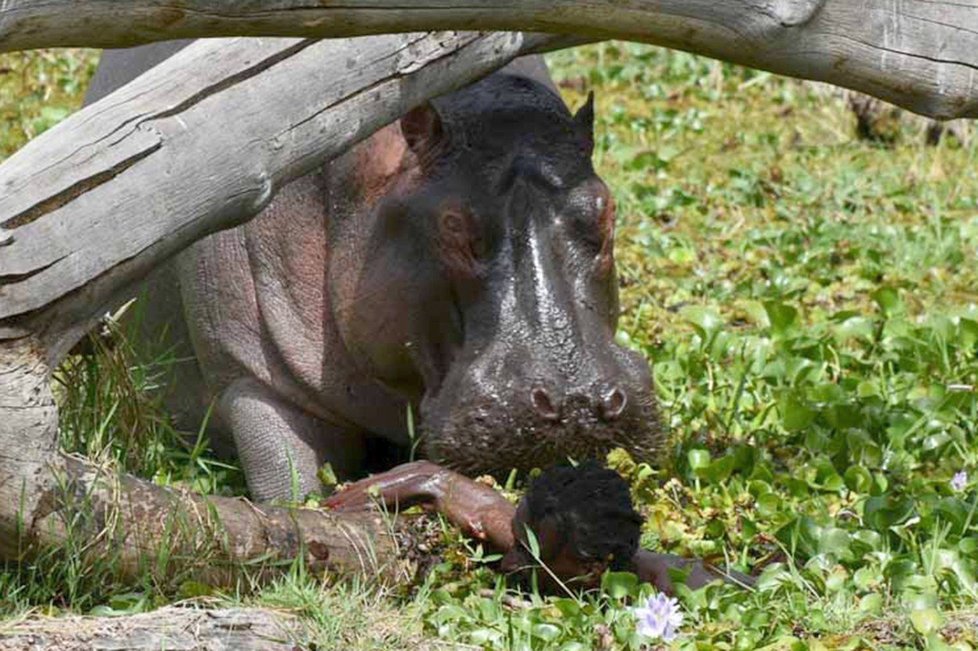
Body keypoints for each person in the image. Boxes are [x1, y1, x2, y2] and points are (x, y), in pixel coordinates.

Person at [324, 459, 751, 595]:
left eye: (528, 555)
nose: (508, 560)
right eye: (517, 536)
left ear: (592, 569)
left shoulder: (678, 585)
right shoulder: (529, 533)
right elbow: (439, 482)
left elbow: (761, 591)